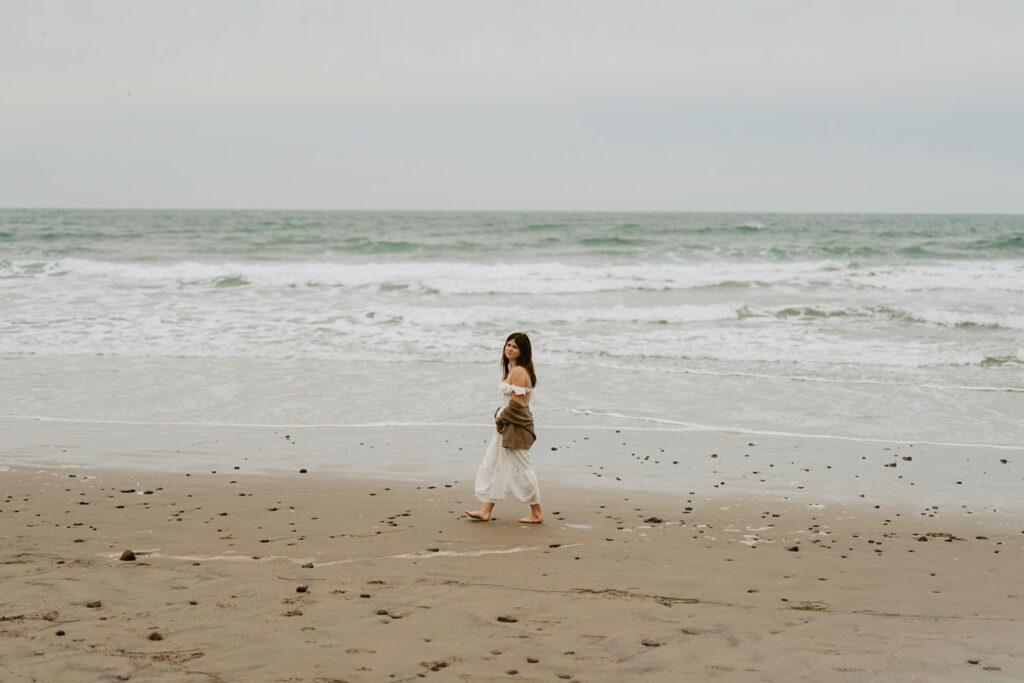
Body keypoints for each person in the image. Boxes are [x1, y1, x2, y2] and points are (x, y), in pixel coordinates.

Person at [465, 332, 543, 524]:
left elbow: (517, 404)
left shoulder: (518, 372)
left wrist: (501, 422)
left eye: (514, 347)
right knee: (497, 464)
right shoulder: (515, 369)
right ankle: (486, 510)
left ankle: (537, 512)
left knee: (522, 467)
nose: (509, 349)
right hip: (509, 423)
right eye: (508, 345)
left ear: (522, 351)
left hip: (514, 426)